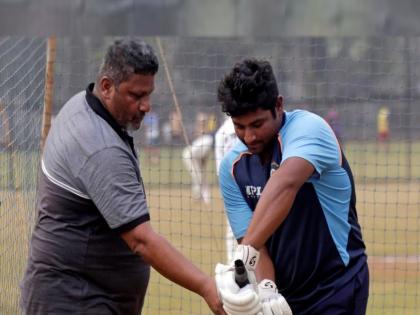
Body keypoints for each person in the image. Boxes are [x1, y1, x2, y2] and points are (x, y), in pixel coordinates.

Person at [20, 39, 225, 315]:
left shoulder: (83, 103)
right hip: (75, 300)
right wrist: (205, 286)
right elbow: (141, 241)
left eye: (149, 94)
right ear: (106, 86)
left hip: (82, 294)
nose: (146, 106)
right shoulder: (100, 147)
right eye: (136, 96)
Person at [215, 58, 369, 314]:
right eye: (239, 127)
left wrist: (241, 260)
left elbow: (284, 184)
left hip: (336, 286)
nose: (249, 137)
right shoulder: (232, 168)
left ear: (278, 104)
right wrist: (266, 288)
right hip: (284, 297)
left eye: (257, 124)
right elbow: (256, 239)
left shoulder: (309, 130)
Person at [214, 117, 239, 262]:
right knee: (233, 229)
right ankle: (233, 268)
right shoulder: (222, 134)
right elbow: (220, 170)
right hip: (234, 188)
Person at [182, 111, 216, 204]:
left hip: (195, 152)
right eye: (200, 121)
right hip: (191, 155)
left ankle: (202, 197)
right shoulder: (200, 137)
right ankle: (201, 197)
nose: (201, 122)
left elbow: (204, 157)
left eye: (203, 121)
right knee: (198, 175)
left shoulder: (208, 137)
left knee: (199, 175)